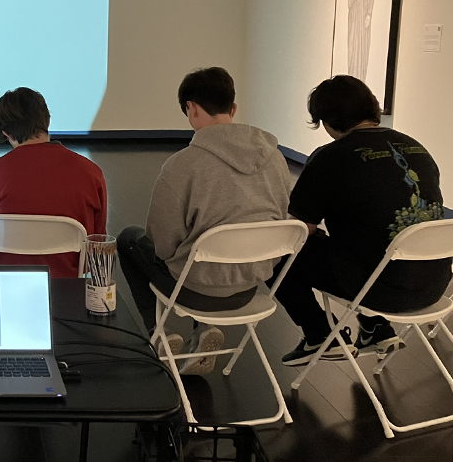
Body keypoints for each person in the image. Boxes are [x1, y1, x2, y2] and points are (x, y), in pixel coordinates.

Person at [117, 67, 291, 375]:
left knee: (130, 239)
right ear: (233, 108)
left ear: (192, 108)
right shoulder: (276, 159)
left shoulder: (181, 165)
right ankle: (204, 330)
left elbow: (162, 244)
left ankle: (159, 332)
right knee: (207, 246)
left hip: (194, 292)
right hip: (250, 287)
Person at [276, 76, 450, 366]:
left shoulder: (331, 157)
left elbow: (298, 231)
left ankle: (320, 335)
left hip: (381, 290)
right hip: (435, 284)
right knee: (371, 243)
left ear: (328, 121)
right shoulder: (417, 148)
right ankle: (374, 328)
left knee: (280, 253)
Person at [0, 87, 107, 278]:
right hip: (64, 289)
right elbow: (98, 244)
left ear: (6, 133)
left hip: (4, 285)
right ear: (47, 121)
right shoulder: (92, 174)